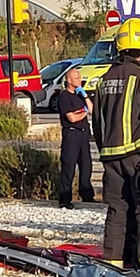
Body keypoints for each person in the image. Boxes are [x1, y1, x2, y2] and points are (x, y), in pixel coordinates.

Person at [93, 18, 140, 271]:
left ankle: (113, 268)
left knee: (117, 212)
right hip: (139, 159)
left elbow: (98, 121)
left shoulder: (104, 80)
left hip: (111, 160)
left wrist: (106, 152)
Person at [55, 67, 95, 209]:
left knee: (86, 165)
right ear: (69, 80)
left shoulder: (80, 95)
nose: (80, 80)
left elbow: (92, 110)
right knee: (69, 166)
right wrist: (83, 111)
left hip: (83, 134)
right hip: (71, 133)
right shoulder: (64, 97)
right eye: (77, 78)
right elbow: (72, 118)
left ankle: (87, 196)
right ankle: (65, 199)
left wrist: (85, 97)